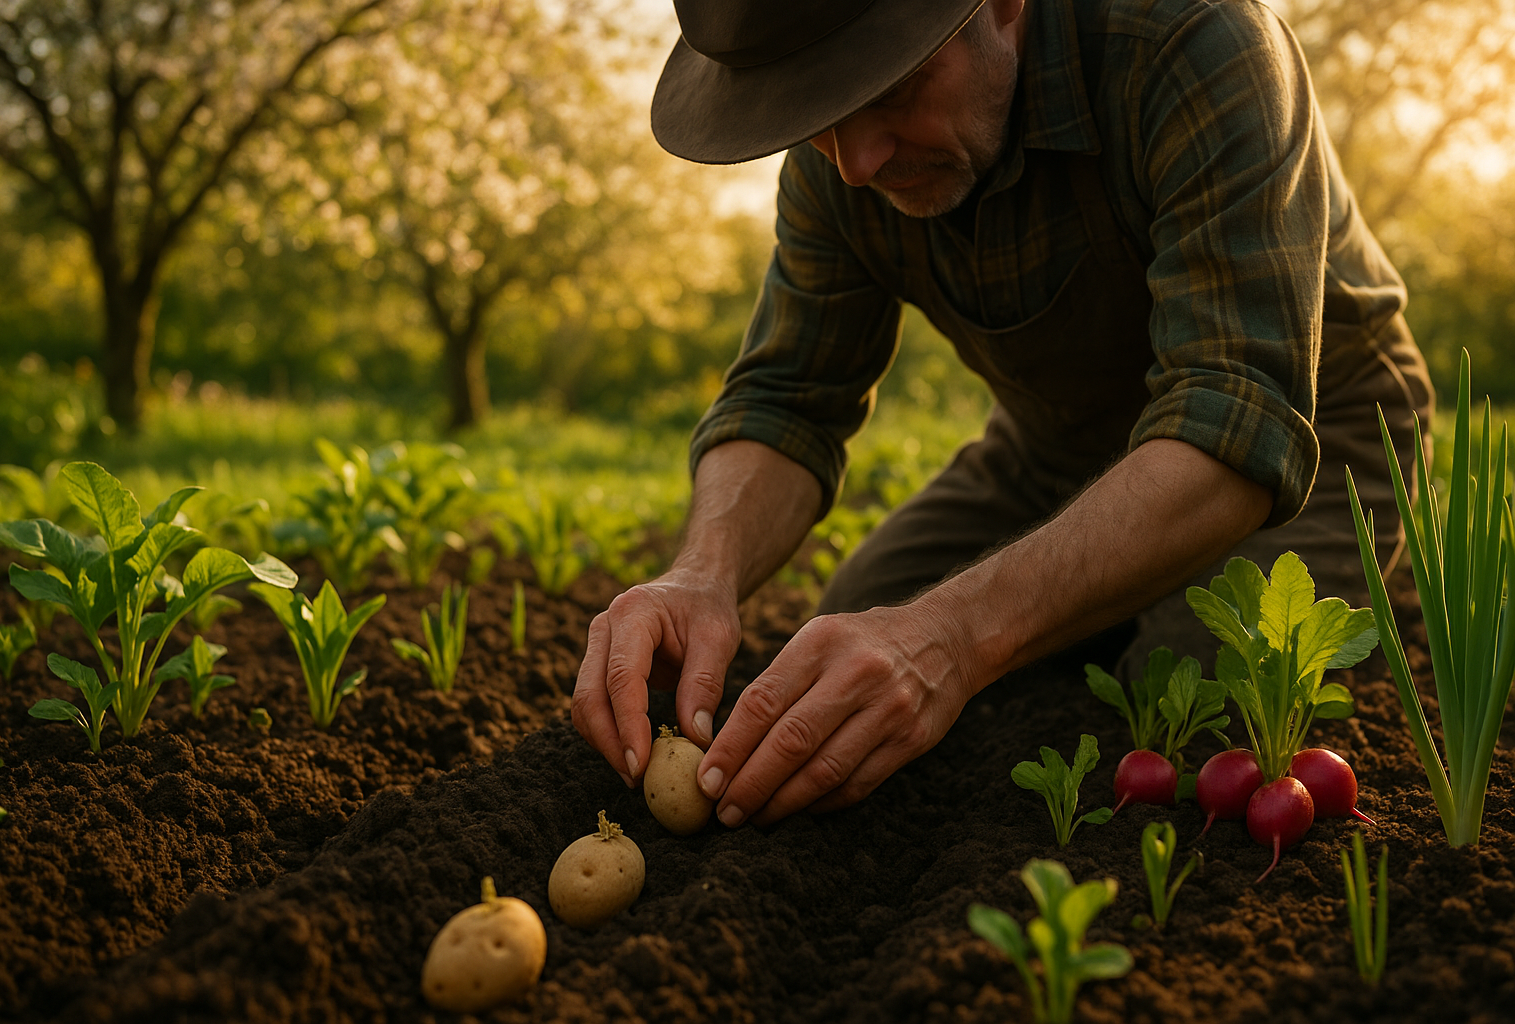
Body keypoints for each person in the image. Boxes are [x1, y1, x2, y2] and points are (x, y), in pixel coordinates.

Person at [572, 0, 1433, 830]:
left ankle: (1123, 622)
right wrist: (703, 573)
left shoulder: (1196, 42)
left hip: (1314, 440)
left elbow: (1237, 416)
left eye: (891, 90)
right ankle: (1095, 611)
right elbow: (789, 396)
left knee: (1182, 712)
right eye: (821, 116)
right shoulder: (838, 158)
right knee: (846, 649)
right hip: (1054, 449)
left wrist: (953, 637)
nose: (856, 162)